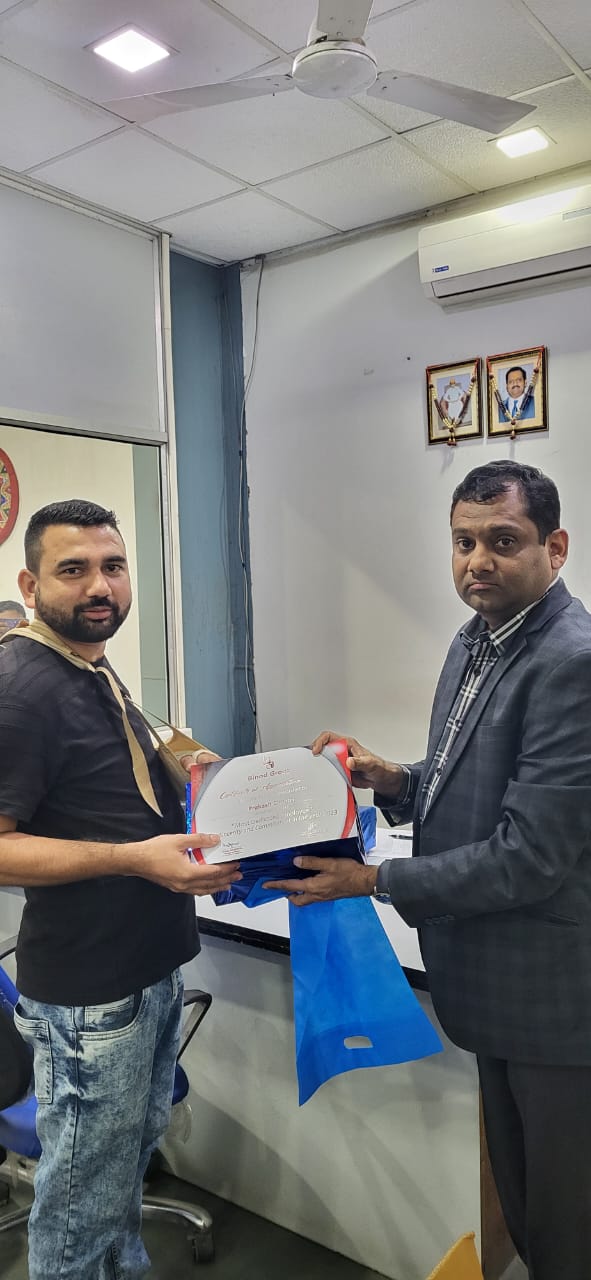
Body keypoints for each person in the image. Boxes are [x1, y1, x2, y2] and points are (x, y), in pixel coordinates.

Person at [270, 461, 591, 1280]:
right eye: (462, 542)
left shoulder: (571, 662)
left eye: (502, 542)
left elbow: (529, 857)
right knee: (524, 1207)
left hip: (554, 998)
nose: (476, 561)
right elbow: (470, 786)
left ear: (554, 548)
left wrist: (372, 881)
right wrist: (394, 780)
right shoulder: (477, 638)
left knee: (565, 1228)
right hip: (492, 984)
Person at [0, 498, 239, 1280]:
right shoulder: (21, 686)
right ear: (31, 585)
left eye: (113, 566)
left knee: (116, 1186)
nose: (99, 586)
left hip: (141, 975)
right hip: (91, 994)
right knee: (81, 1209)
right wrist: (136, 859)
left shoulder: (87, 667)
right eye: (73, 569)